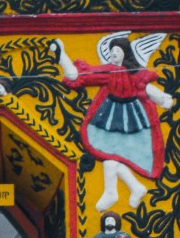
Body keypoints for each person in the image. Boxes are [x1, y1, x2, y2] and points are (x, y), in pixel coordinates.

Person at [59, 33, 173, 212]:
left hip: (133, 118)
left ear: (125, 53)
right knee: (108, 156)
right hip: (109, 116)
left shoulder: (135, 73)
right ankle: (130, 188)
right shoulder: (108, 71)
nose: (113, 53)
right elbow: (81, 76)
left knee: (110, 158)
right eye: (112, 50)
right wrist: (62, 56)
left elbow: (145, 87)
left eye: (117, 50)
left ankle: (122, 190)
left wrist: (161, 98)